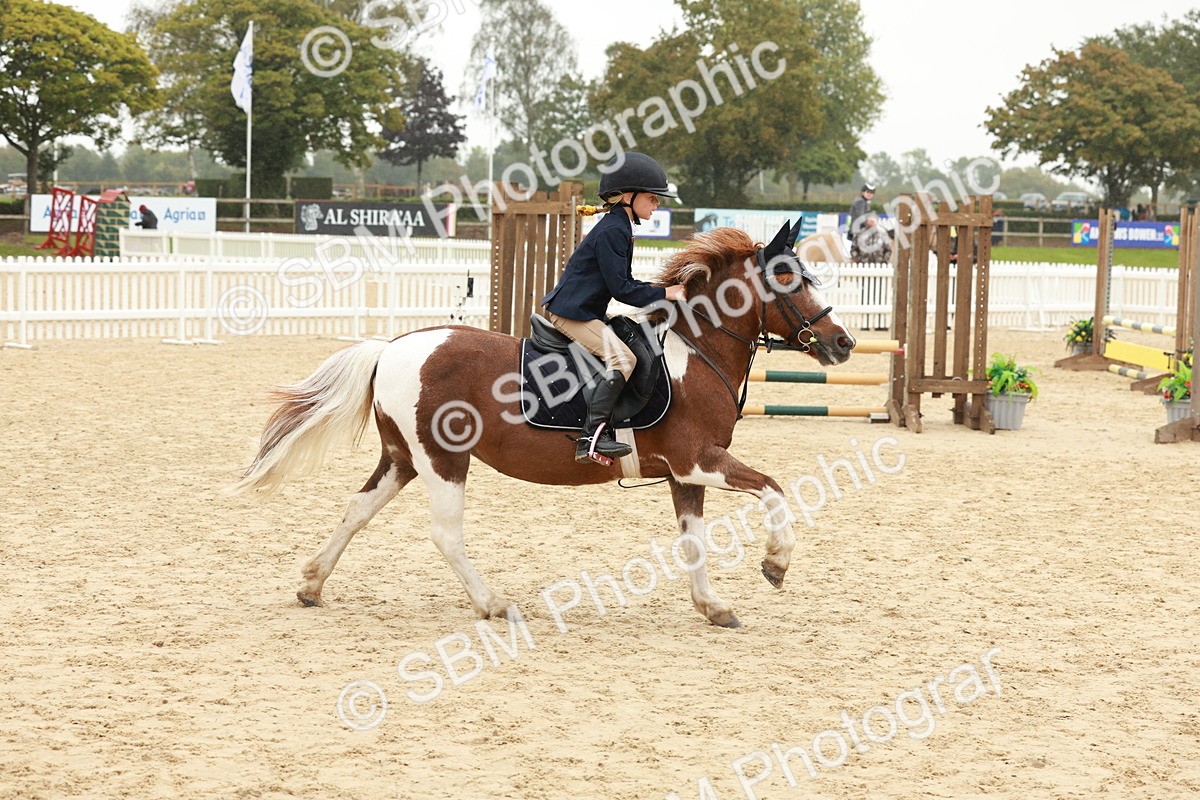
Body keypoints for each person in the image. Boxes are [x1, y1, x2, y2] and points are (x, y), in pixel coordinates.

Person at [541, 152, 687, 465]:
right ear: (628, 197)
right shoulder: (613, 231)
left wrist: (661, 291)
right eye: (652, 198)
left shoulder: (619, 226)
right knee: (624, 359)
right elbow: (623, 290)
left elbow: (625, 282)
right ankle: (591, 439)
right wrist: (666, 293)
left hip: (586, 310)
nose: (656, 204)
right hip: (571, 312)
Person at [847, 182, 876, 256]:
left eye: (872, 193)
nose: (870, 194)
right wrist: (869, 222)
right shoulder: (860, 202)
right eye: (868, 192)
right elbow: (860, 217)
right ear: (863, 192)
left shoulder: (866, 202)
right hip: (858, 231)